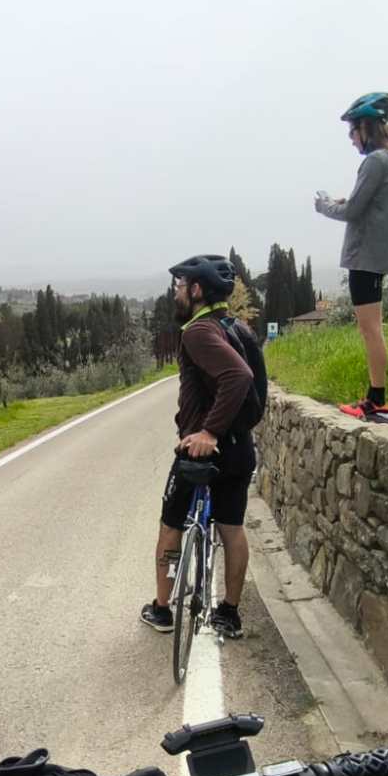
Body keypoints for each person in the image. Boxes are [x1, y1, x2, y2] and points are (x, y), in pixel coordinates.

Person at [140, 255, 258, 640]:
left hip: (200, 450)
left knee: (171, 527)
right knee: (231, 528)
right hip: (240, 447)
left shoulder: (197, 332)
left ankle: (162, 608)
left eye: (179, 286)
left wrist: (208, 432)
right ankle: (229, 613)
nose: (175, 293)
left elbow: (238, 377)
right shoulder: (238, 328)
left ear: (196, 290)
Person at [313, 91, 388, 411]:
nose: (351, 139)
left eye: (352, 131)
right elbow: (366, 206)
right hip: (374, 255)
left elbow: (353, 211)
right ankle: (376, 396)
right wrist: (346, 202)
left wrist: (324, 205)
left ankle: (376, 399)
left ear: (366, 127)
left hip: (365, 257)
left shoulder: (376, 160)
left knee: (370, 329)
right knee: (370, 328)